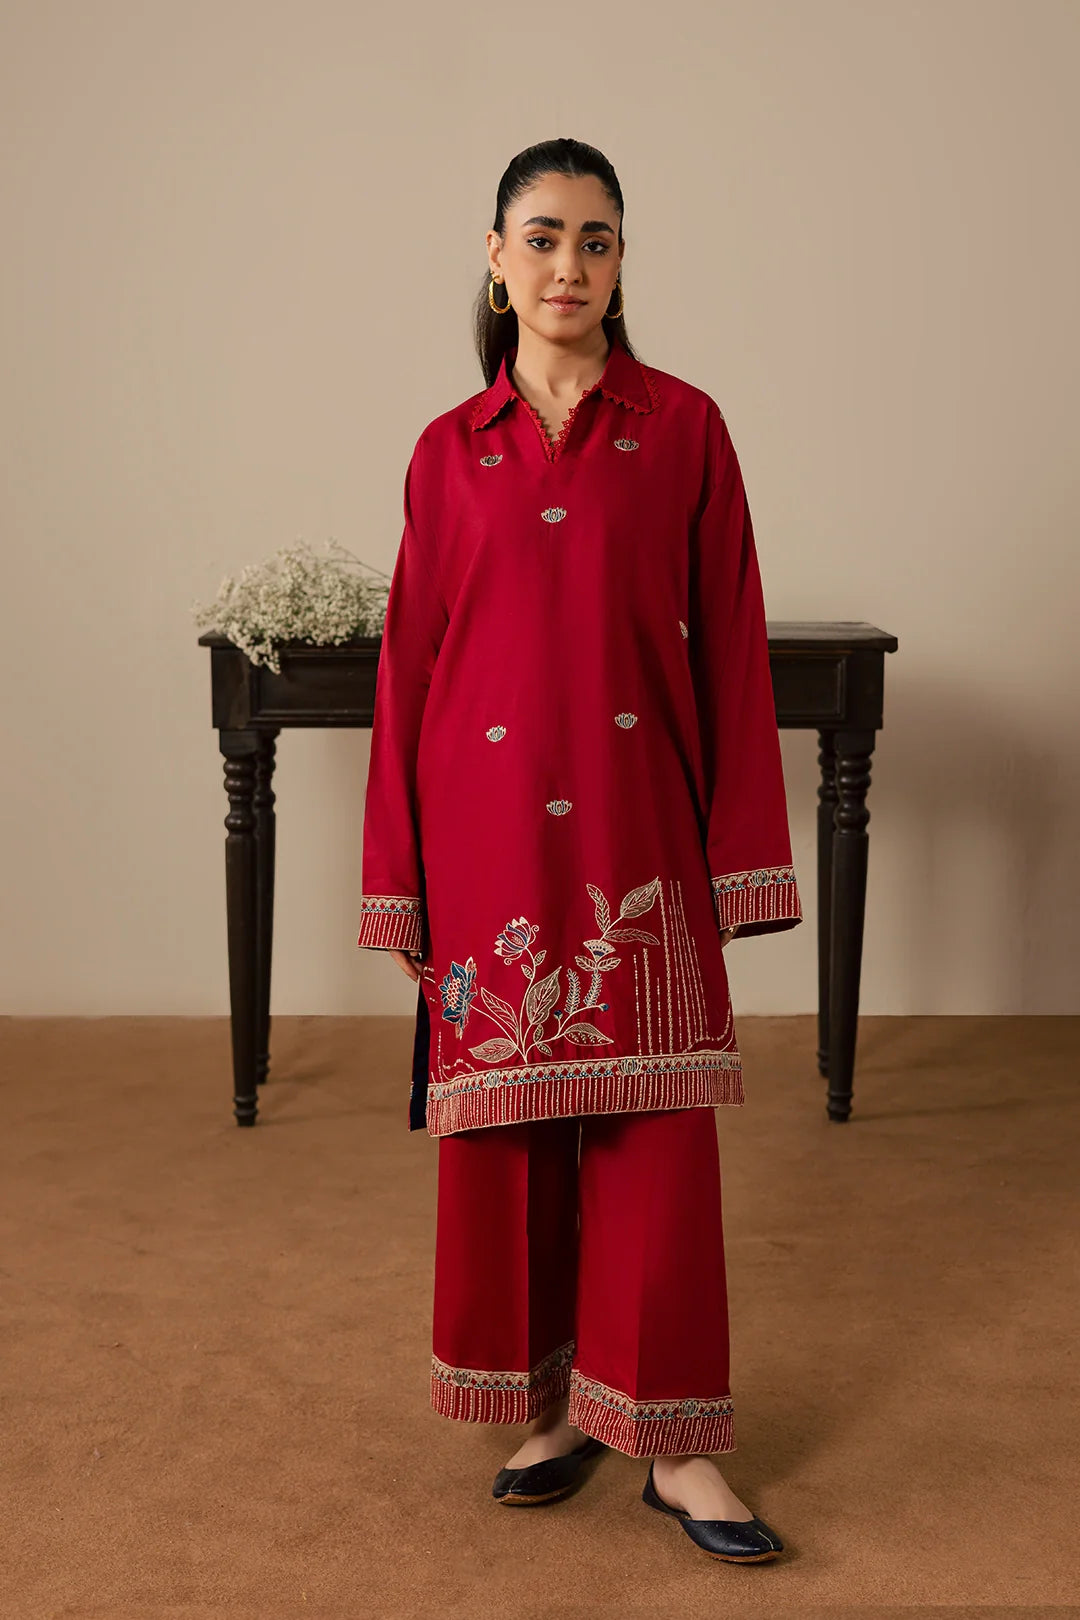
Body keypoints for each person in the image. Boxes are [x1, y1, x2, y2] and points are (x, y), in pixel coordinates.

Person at [356, 137, 803, 1564]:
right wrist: (397, 874)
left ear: (622, 263)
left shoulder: (685, 430)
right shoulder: (448, 449)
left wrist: (741, 855)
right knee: (514, 1132)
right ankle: (552, 1408)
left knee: (655, 1132)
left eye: (595, 240)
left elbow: (732, 648)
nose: (568, 265)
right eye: (542, 238)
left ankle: (677, 1446)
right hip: (481, 834)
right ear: (496, 259)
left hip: (635, 831)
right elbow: (410, 669)